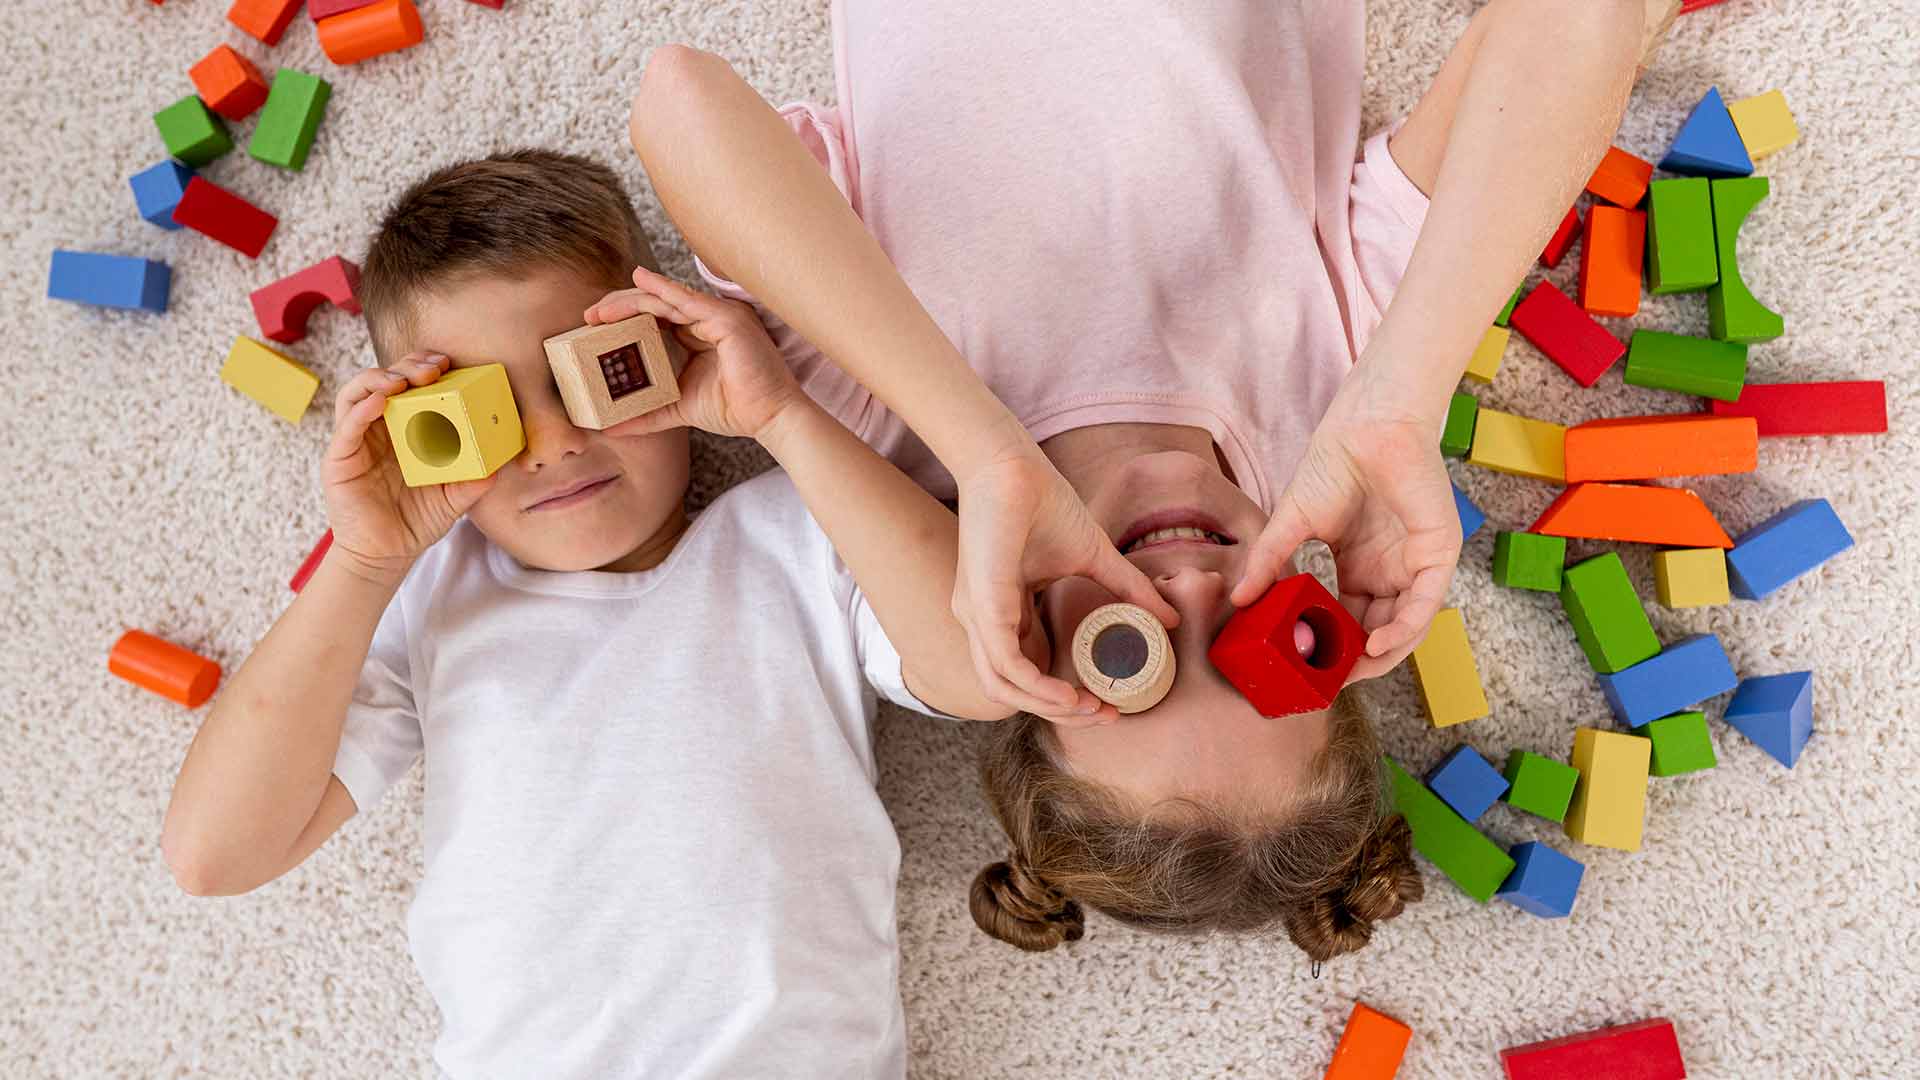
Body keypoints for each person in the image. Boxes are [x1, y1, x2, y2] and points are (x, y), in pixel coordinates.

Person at [621, 0, 1643, 963]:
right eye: (1262, 648)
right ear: (1323, 618)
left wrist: (985, 450)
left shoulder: (888, 397)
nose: (1196, 589)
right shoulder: (1341, 382)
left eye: (1129, 652)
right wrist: (1403, 402)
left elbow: (678, 98)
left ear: (1020, 647)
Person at [161, 149, 1020, 1077]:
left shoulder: (796, 533)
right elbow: (215, 855)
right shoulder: (438, 592)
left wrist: (782, 416)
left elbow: (984, 668)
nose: (555, 443)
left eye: (593, 376)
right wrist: (367, 564)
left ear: (670, 353)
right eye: (481, 412)